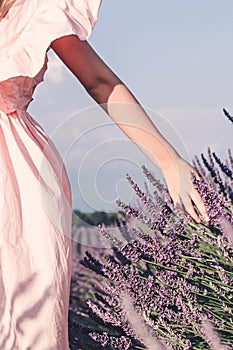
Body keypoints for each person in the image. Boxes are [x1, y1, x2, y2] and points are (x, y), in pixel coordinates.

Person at [0, 0, 208, 349]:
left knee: (32, 315)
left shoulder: (37, 8)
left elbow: (99, 81)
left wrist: (168, 160)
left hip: (17, 180)